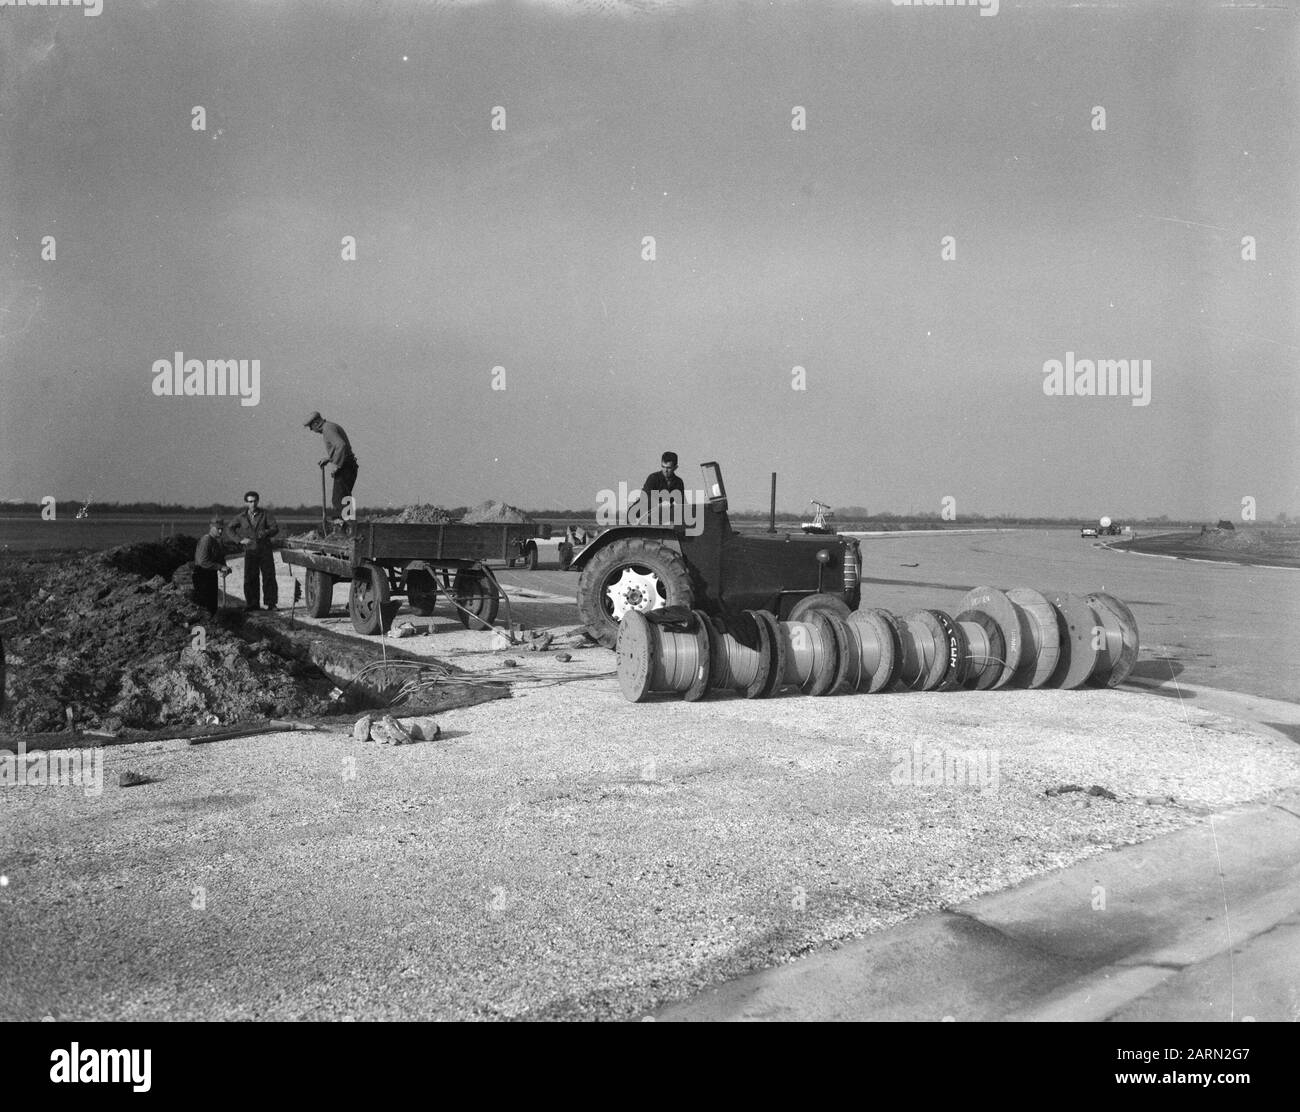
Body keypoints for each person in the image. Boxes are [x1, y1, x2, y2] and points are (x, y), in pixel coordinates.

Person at [227, 491, 280, 611]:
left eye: (255, 501)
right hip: (250, 551)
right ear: (246, 502)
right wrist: (240, 540)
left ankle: (271, 604)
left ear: (258, 501)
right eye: (250, 501)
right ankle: (252, 604)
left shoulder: (265, 514)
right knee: (250, 577)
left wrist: (266, 532)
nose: (253, 503)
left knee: (269, 577)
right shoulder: (241, 517)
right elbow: (229, 528)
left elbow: (275, 528)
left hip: (265, 550)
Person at [305, 411, 359, 527]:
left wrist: (337, 465)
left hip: (345, 467)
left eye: (310, 426)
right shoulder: (330, 427)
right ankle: (350, 528)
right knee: (344, 499)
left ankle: (351, 530)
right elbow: (339, 447)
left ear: (316, 423)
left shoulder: (328, 429)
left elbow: (341, 445)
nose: (311, 430)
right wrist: (329, 458)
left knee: (339, 500)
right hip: (349, 466)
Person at [193, 516, 231, 614]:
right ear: (211, 527)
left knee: (212, 606)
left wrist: (225, 568)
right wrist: (220, 567)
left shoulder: (217, 542)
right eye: (218, 529)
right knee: (205, 607)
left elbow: (220, 558)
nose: (220, 531)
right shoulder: (206, 540)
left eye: (222, 529)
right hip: (202, 576)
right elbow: (203, 561)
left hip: (211, 575)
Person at [640, 451, 686, 527]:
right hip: (641, 513)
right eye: (663, 467)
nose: (665, 470)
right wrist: (660, 505)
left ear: (675, 467)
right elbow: (645, 498)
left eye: (668, 468)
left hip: (661, 516)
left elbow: (681, 504)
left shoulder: (678, 482)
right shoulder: (653, 478)